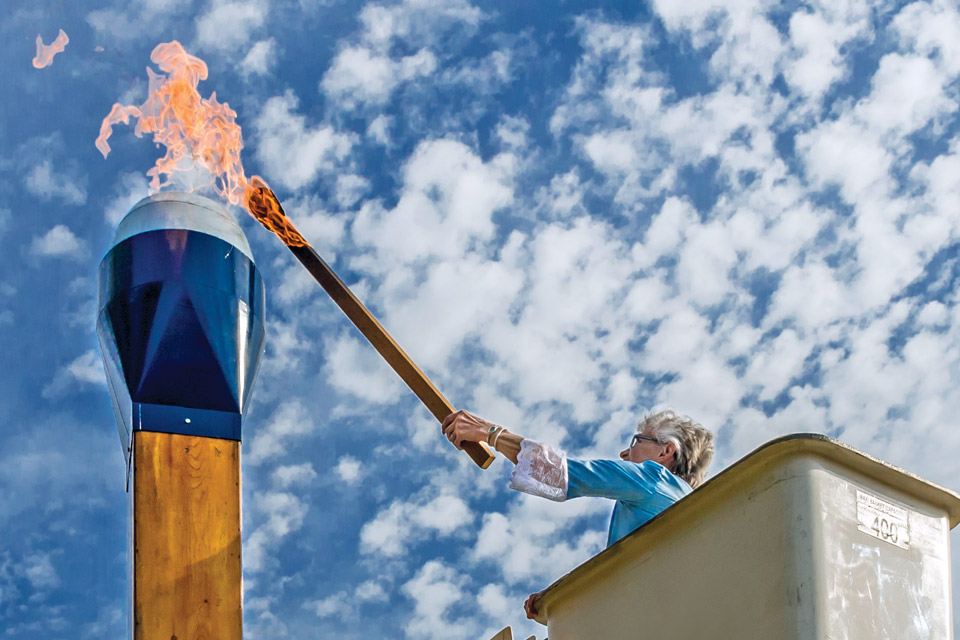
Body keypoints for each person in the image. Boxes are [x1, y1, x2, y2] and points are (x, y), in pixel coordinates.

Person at [441, 408, 714, 620]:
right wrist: (560, 599)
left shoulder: (654, 479)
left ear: (666, 450)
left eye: (635, 442)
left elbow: (560, 473)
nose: (624, 454)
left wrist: (490, 433)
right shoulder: (688, 506)